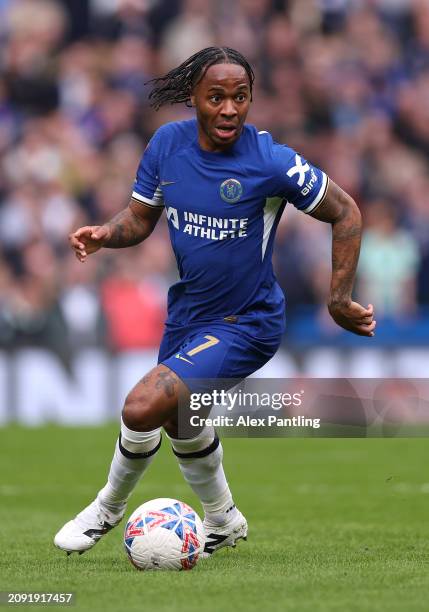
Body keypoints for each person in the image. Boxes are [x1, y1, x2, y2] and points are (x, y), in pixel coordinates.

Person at [54, 47, 376, 557]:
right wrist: (104, 234)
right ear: (193, 98)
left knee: (141, 407)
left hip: (247, 321)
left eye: (240, 97)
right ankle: (224, 519)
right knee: (180, 422)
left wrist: (338, 298)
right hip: (188, 314)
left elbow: (347, 211)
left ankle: (105, 510)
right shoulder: (167, 144)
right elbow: (140, 219)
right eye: (217, 97)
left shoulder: (270, 160)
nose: (230, 109)